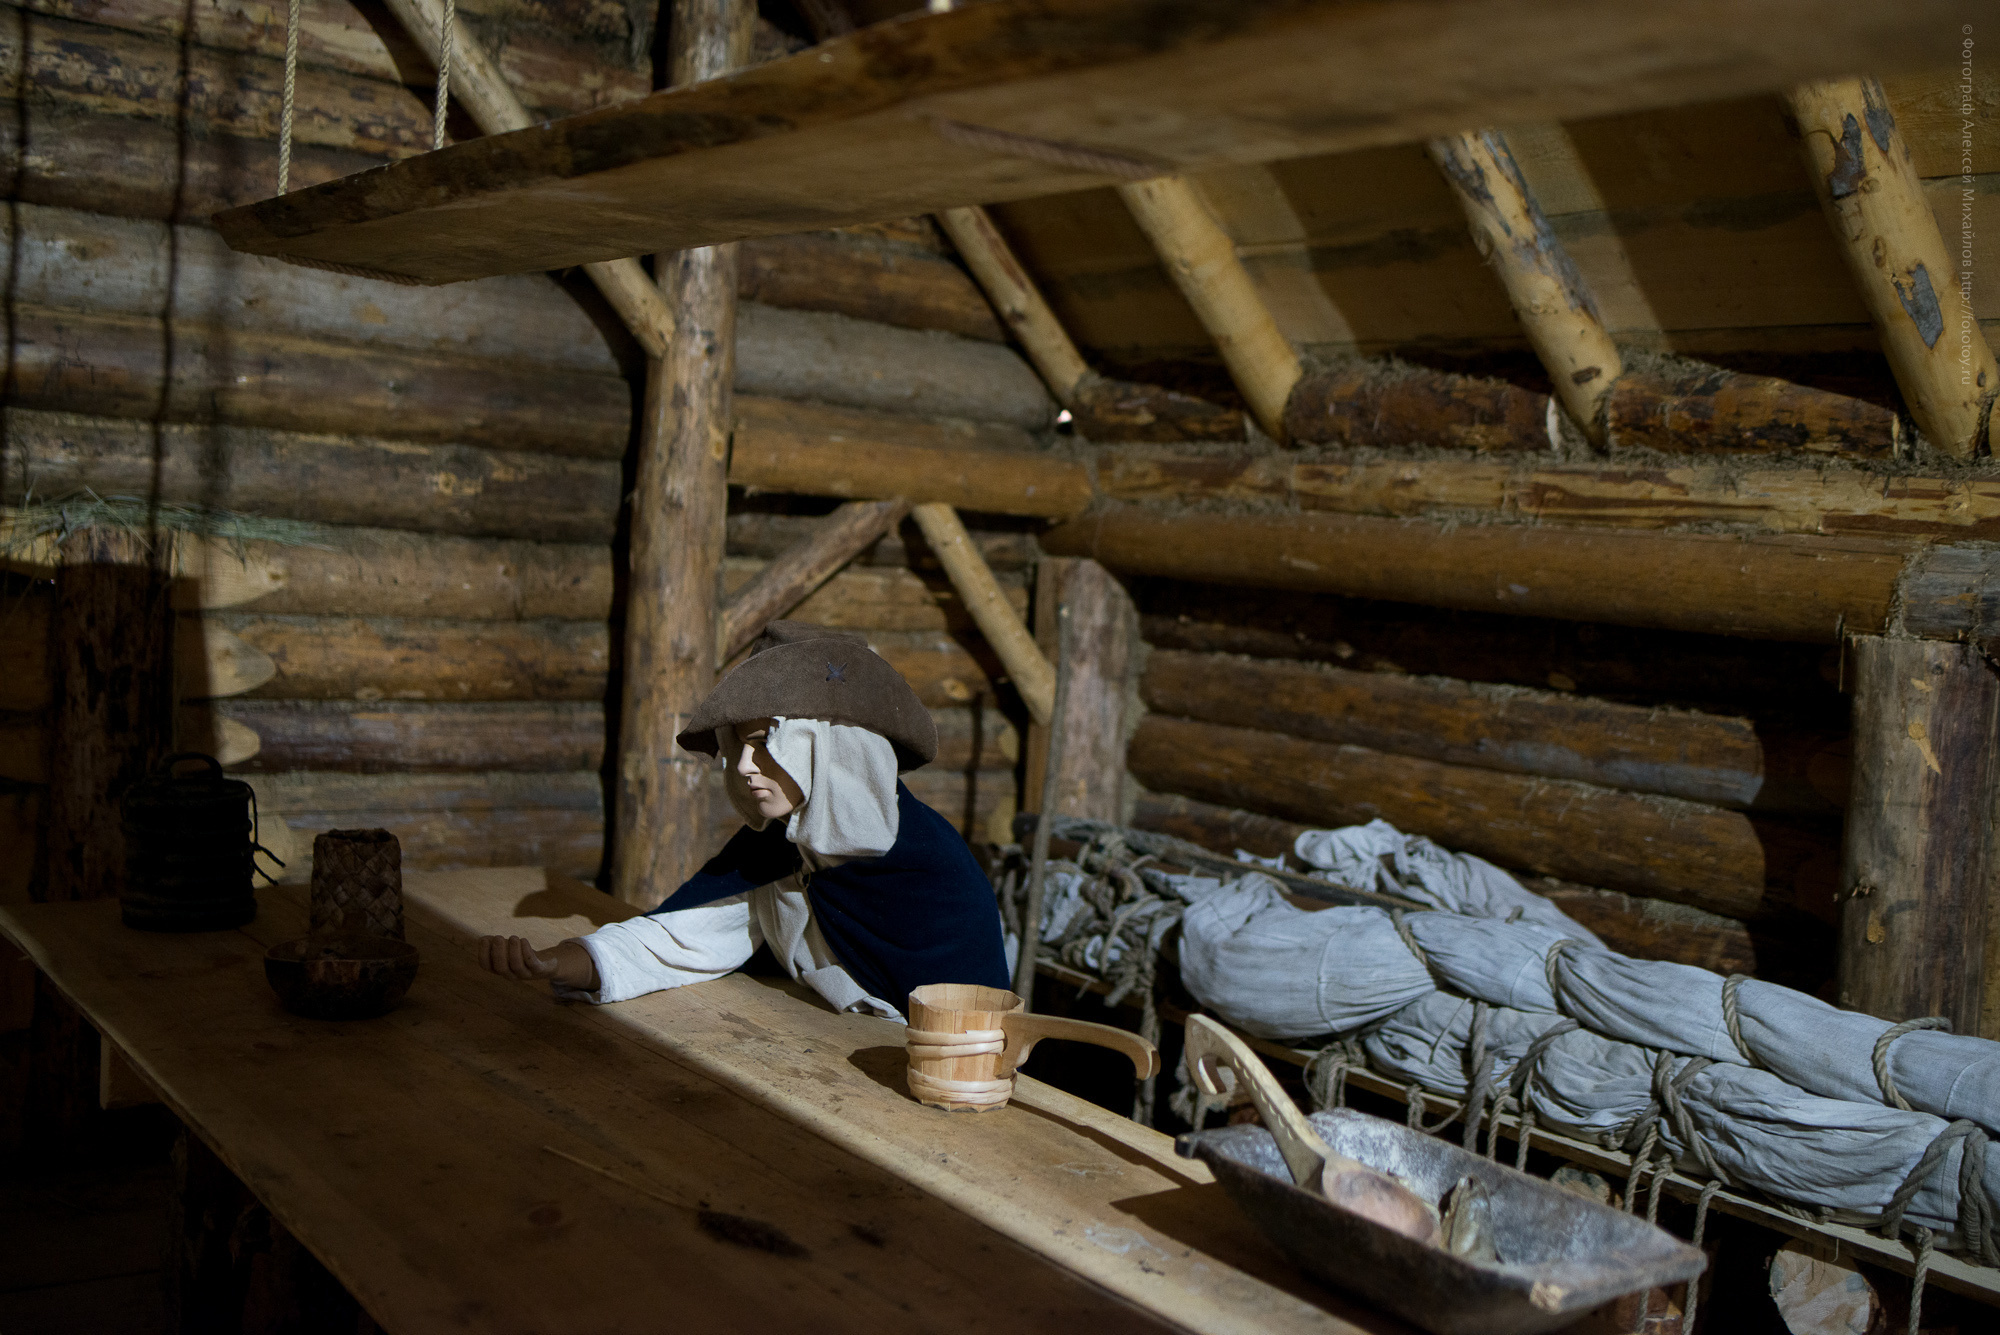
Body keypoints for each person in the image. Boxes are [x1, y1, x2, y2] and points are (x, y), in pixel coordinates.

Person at [477, 621, 1010, 1019]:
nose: (746, 766)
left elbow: (977, 1034)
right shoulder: (780, 850)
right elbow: (678, 942)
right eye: (740, 745)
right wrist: (554, 963)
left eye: (765, 743)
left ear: (830, 748)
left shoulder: (933, 874)